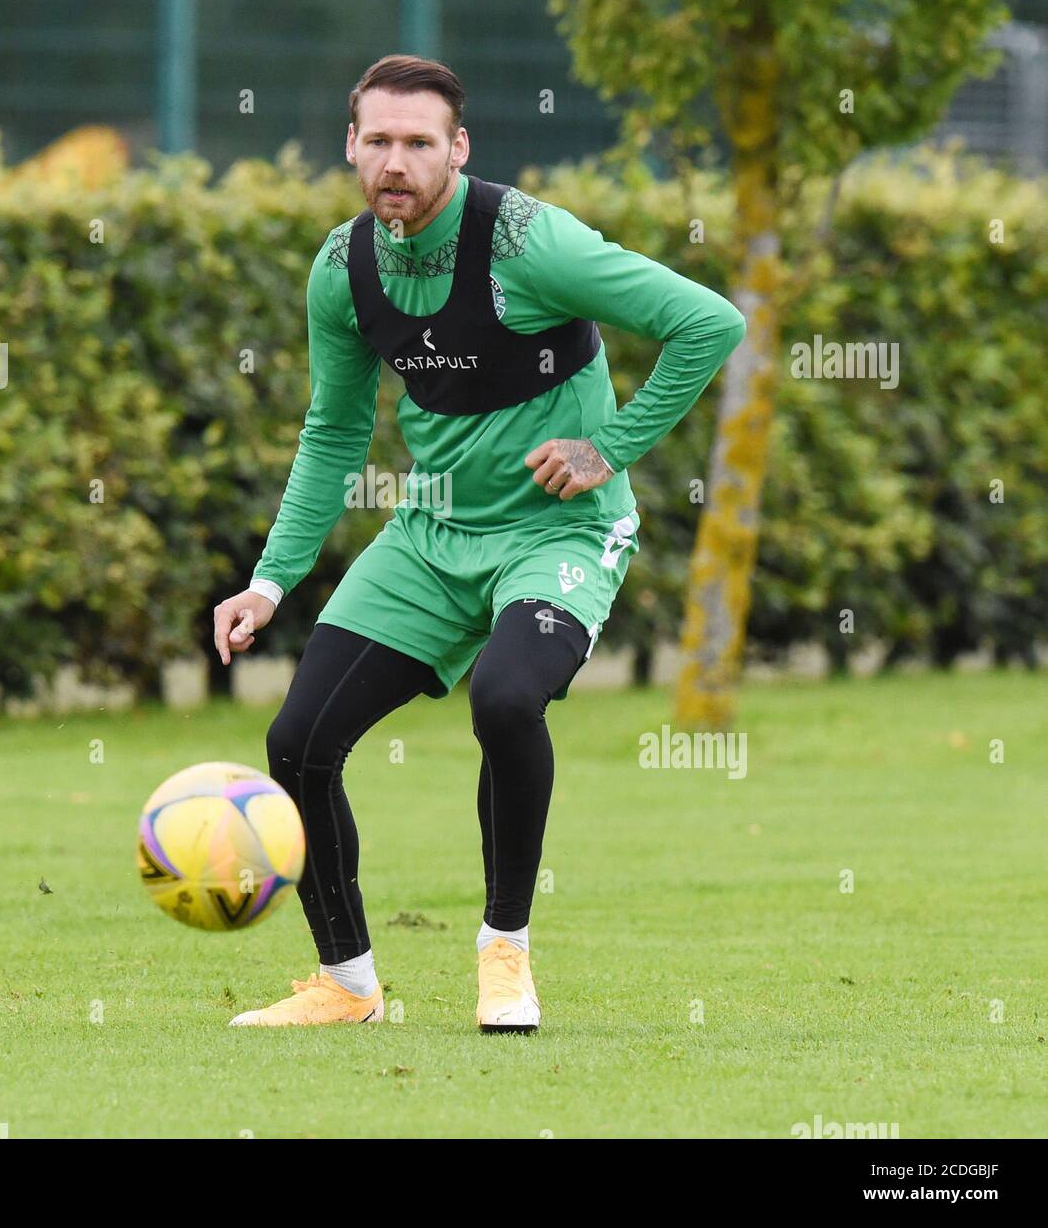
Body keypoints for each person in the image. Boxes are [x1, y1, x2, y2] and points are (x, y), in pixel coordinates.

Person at [213, 54, 746, 1032]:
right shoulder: (344, 268)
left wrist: (608, 447)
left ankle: (504, 953)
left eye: (419, 141)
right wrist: (270, 580)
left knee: (505, 696)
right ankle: (347, 984)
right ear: (350, 146)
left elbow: (707, 321)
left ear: (458, 149)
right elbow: (333, 431)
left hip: (560, 530)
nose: (395, 161)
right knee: (296, 741)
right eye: (376, 139)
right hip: (433, 533)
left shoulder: (529, 241)